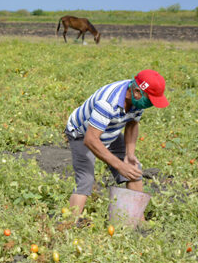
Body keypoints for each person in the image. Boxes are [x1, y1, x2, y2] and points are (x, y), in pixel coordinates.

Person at [65, 69, 169, 218]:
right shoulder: (107, 103)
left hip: (109, 130)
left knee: (133, 170)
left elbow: (133, 123)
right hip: (82, 133)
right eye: (151, 100)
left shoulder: (136, 99)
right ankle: (68, 224)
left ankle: (136, 221)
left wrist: (129, 154)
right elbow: (91, 139)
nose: (151, 104)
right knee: (85, 180)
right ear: (137, 92)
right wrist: (120, 165)